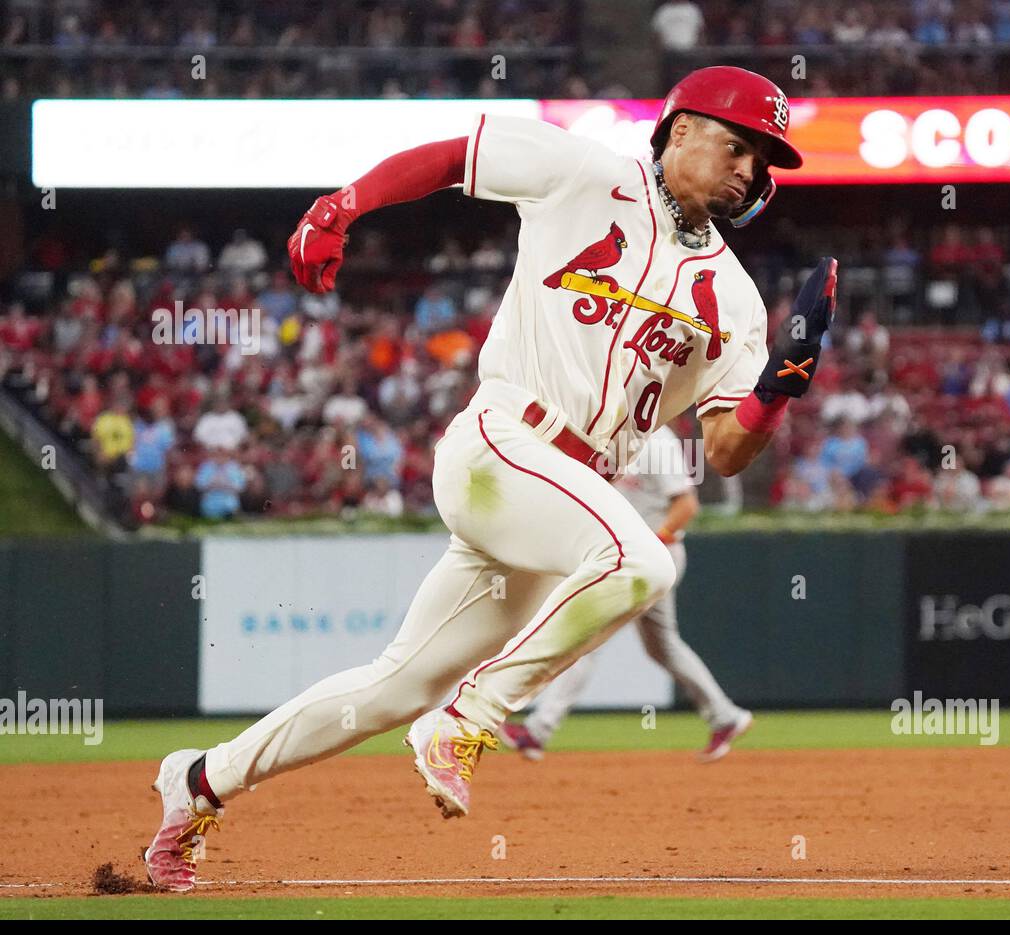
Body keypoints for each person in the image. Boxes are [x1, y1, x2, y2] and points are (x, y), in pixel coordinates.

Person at [144, 66, 838, 891]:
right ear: (679, 128)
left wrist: (777, 389)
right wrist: (344, 205)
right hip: (503, 445)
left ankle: (198, 782)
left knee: (393, 688)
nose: (750, 171)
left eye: (762, 161)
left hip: (559, 505)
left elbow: (724, 450)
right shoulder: (581, 172)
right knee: (644, 564)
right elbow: (450, 155)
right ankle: (470, 718)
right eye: (741, 146)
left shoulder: (734, 295)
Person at [499, 426, 752, 762]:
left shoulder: (659, 441)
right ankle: (726, 716)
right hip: (628, 559)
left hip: (653, 556)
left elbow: (687, 505)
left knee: (585, 638)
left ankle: (537, 730)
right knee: (663, 647)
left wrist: (651, 546)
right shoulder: (610, 433)